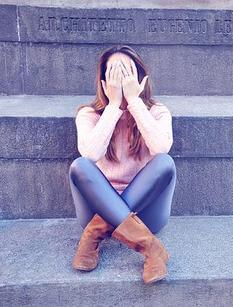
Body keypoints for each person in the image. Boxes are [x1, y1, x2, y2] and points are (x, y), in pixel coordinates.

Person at [68, 45, 176, 284]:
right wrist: (114, 106)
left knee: (165, 163)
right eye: (114, 73)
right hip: (98, 207)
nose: (121, 79)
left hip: (147, 213)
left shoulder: (157, 112)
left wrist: (134, 102)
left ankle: (94, 234)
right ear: (104, 82)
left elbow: (160, 149)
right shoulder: (89, 114)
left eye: (126, 72)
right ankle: (151, 248)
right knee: (80, 166)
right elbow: (90, 153)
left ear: (140, 77)